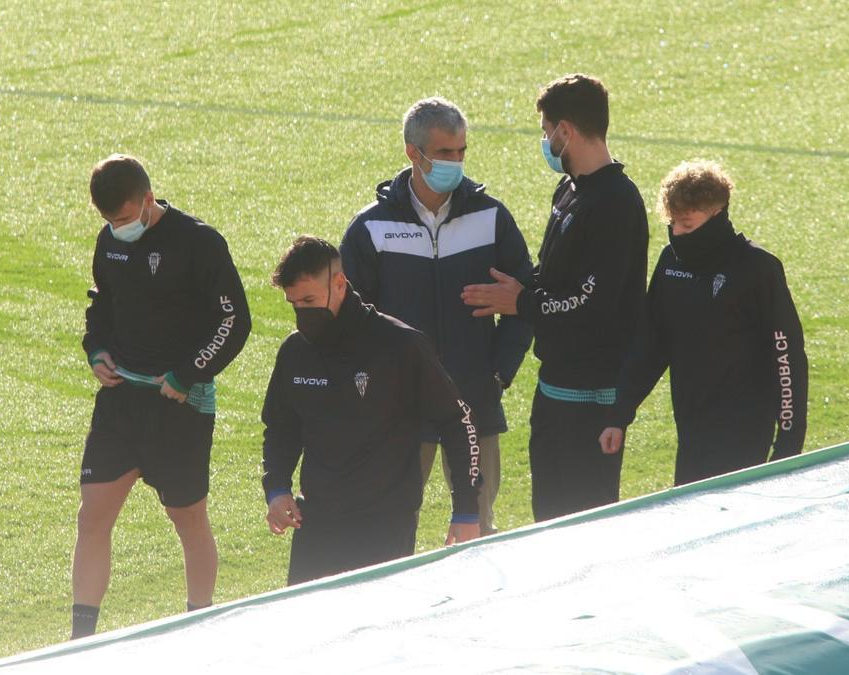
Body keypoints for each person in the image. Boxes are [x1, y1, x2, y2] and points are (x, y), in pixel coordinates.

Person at [72, 154, 251, 638]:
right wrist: (97, 350)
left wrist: (189, 372)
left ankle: (199, 622)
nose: (118, 229)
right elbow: (102, 303)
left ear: (149, 200)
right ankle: (80, 640)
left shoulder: (199, 243)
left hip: (179, 406)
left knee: (187, 518)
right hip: (121, 404)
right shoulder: (109, 240)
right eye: (110, 222)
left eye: (126, 219)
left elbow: (234, 320)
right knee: (92, 517)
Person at [340, 97, 533, 537]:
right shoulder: (370, 228)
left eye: (462, 151)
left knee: (479, 528)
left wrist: (500, 373)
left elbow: (525, 300)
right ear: (413, 151)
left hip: (475, 401)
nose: (456, 162)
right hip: (399, 409)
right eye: (446, 153)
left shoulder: (491, 217)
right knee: (388, 527)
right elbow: (349, 319)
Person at [462, 74, 648, 521]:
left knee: (583, 524)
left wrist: (522, 303)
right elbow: (551, 277)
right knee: (548, 518)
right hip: (555, 391)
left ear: (565, 130)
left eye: (547, 133)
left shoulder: (616, 203)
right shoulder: (569, 191)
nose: (545, 143)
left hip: (592, 401)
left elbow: (592, 301)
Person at [261, 236, 481, 585]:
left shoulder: (400, 345)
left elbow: (457, 421)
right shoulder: (295, 352)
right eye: (294, 304)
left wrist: (467, 509)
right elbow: (281, 427)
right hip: (316, 522)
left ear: (339, 284)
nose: (302, 314)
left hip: (385, 527)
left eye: (309, 301)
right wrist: (276, 487)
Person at [599, 161, 808, 484]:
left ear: (717, 213)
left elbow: (786, 357)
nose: (678, 235)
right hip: (692, 428)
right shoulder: (670, 265)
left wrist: (789, 442)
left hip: (745, 432)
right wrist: (619, 414)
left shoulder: (758, 269)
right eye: (672, 225)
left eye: (687, 224)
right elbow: (650, 345)